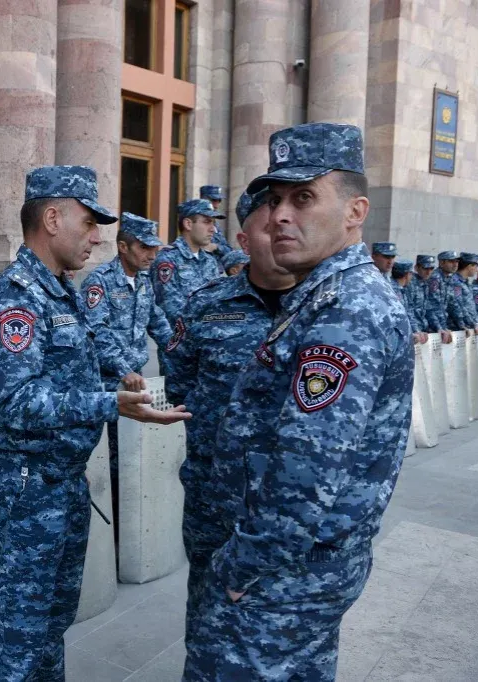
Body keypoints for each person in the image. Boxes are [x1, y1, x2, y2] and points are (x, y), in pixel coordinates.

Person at [194, 123, 413, 680]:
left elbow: (305, 471)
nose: (280, 216)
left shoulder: (346, 310)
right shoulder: (321, 296)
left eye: (304, 197)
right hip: (298, 565)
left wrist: (243, 568)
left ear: (354, 211)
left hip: (282, 572)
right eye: (275, 199)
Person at [0, 165, 190, 682]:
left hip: (63, 483)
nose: (98, 237)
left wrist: (123, 380)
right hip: (27, 487)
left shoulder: (60, 289)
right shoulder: (15, 298)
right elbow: (14, 402)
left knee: (50, 625)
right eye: (89, 223)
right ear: (52, 218)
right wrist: (108, 403)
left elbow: (84, 356)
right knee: (17, 638)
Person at [163, 187, 297, 676]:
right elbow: (180, 381)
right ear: (243, 239)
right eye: (271, 224)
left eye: (296, 216)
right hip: (212, 495)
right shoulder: (206, 304)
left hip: (289, 508)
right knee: (207, 619)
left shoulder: (330, 310)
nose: (287, 230)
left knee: (280, 633)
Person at [80, 212, 173, 534]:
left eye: (155, 248)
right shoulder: (100, 281)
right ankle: (112, 539)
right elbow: (95, 331)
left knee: (133, 460)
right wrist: (124, 368)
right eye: (145, 247)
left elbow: (157, 321)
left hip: (136, 384)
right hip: (108, 386)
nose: (152, 254)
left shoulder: (144, 281)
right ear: (123, 246)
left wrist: (180, 346)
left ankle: (129, 536)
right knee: (109, 462)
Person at [150, 199, 224, 337]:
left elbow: (217, 301)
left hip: (210, 341)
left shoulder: (210, 261)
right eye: (207, 221)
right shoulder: (167, 260)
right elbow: (170, 308)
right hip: (180, 346)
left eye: (213, 223)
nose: (213, 229)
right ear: (188, 224)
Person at [425, 251, 460, 343]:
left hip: (441, 326)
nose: (455, 264)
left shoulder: (448, 278)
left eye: (456, 261)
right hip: (433, 326)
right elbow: (434, 305)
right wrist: (441, 327)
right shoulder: (435, 278)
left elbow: (451, 304)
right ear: (441, 263)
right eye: (451, 261)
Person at [392, 259, 429, 344]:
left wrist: (416, 331)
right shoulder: (393, 289)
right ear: (407, 274)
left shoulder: (402, 289)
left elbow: (409, 312)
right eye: (411, 274)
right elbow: (399, 317)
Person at [447, 253, 478, 335]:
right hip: (459, 328)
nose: (477, 270)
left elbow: (471, 307)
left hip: (470, 327)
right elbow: (458, 306)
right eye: (476, 266)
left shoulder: (466, 283)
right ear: (469, 266)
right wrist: (472, 323)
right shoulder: (455, 282)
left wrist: (477, 323)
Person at [199, 184, 233, 263]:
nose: (216, 205)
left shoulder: (215, 225)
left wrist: (216, 247)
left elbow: (229, 251)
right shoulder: (195, 223)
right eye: (214, 200)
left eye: (219, 200)